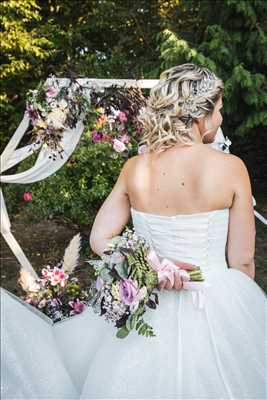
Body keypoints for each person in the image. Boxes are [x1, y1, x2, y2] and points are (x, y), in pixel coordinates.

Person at [1, 63, 266, 399]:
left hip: (150, 306)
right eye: (219, 111)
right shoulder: (232, 169)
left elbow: (100, 239)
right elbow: (242, 262)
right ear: (200, 115)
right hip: (215, 297)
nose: (221, 119)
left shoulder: (136, 168)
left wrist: (152, 266)